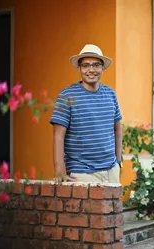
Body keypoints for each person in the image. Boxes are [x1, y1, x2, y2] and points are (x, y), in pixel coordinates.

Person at [50, 44, 122, 183]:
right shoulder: (67, 96)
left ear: (103, 68)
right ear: (79, 68)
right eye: (86, 65)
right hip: (82, 174)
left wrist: (118, 161)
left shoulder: (110, 94)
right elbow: (58, 135)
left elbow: (118, 128)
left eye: (96, 65)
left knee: (114, 206)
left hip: (111, 171)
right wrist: (59, 172)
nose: (91, 70)